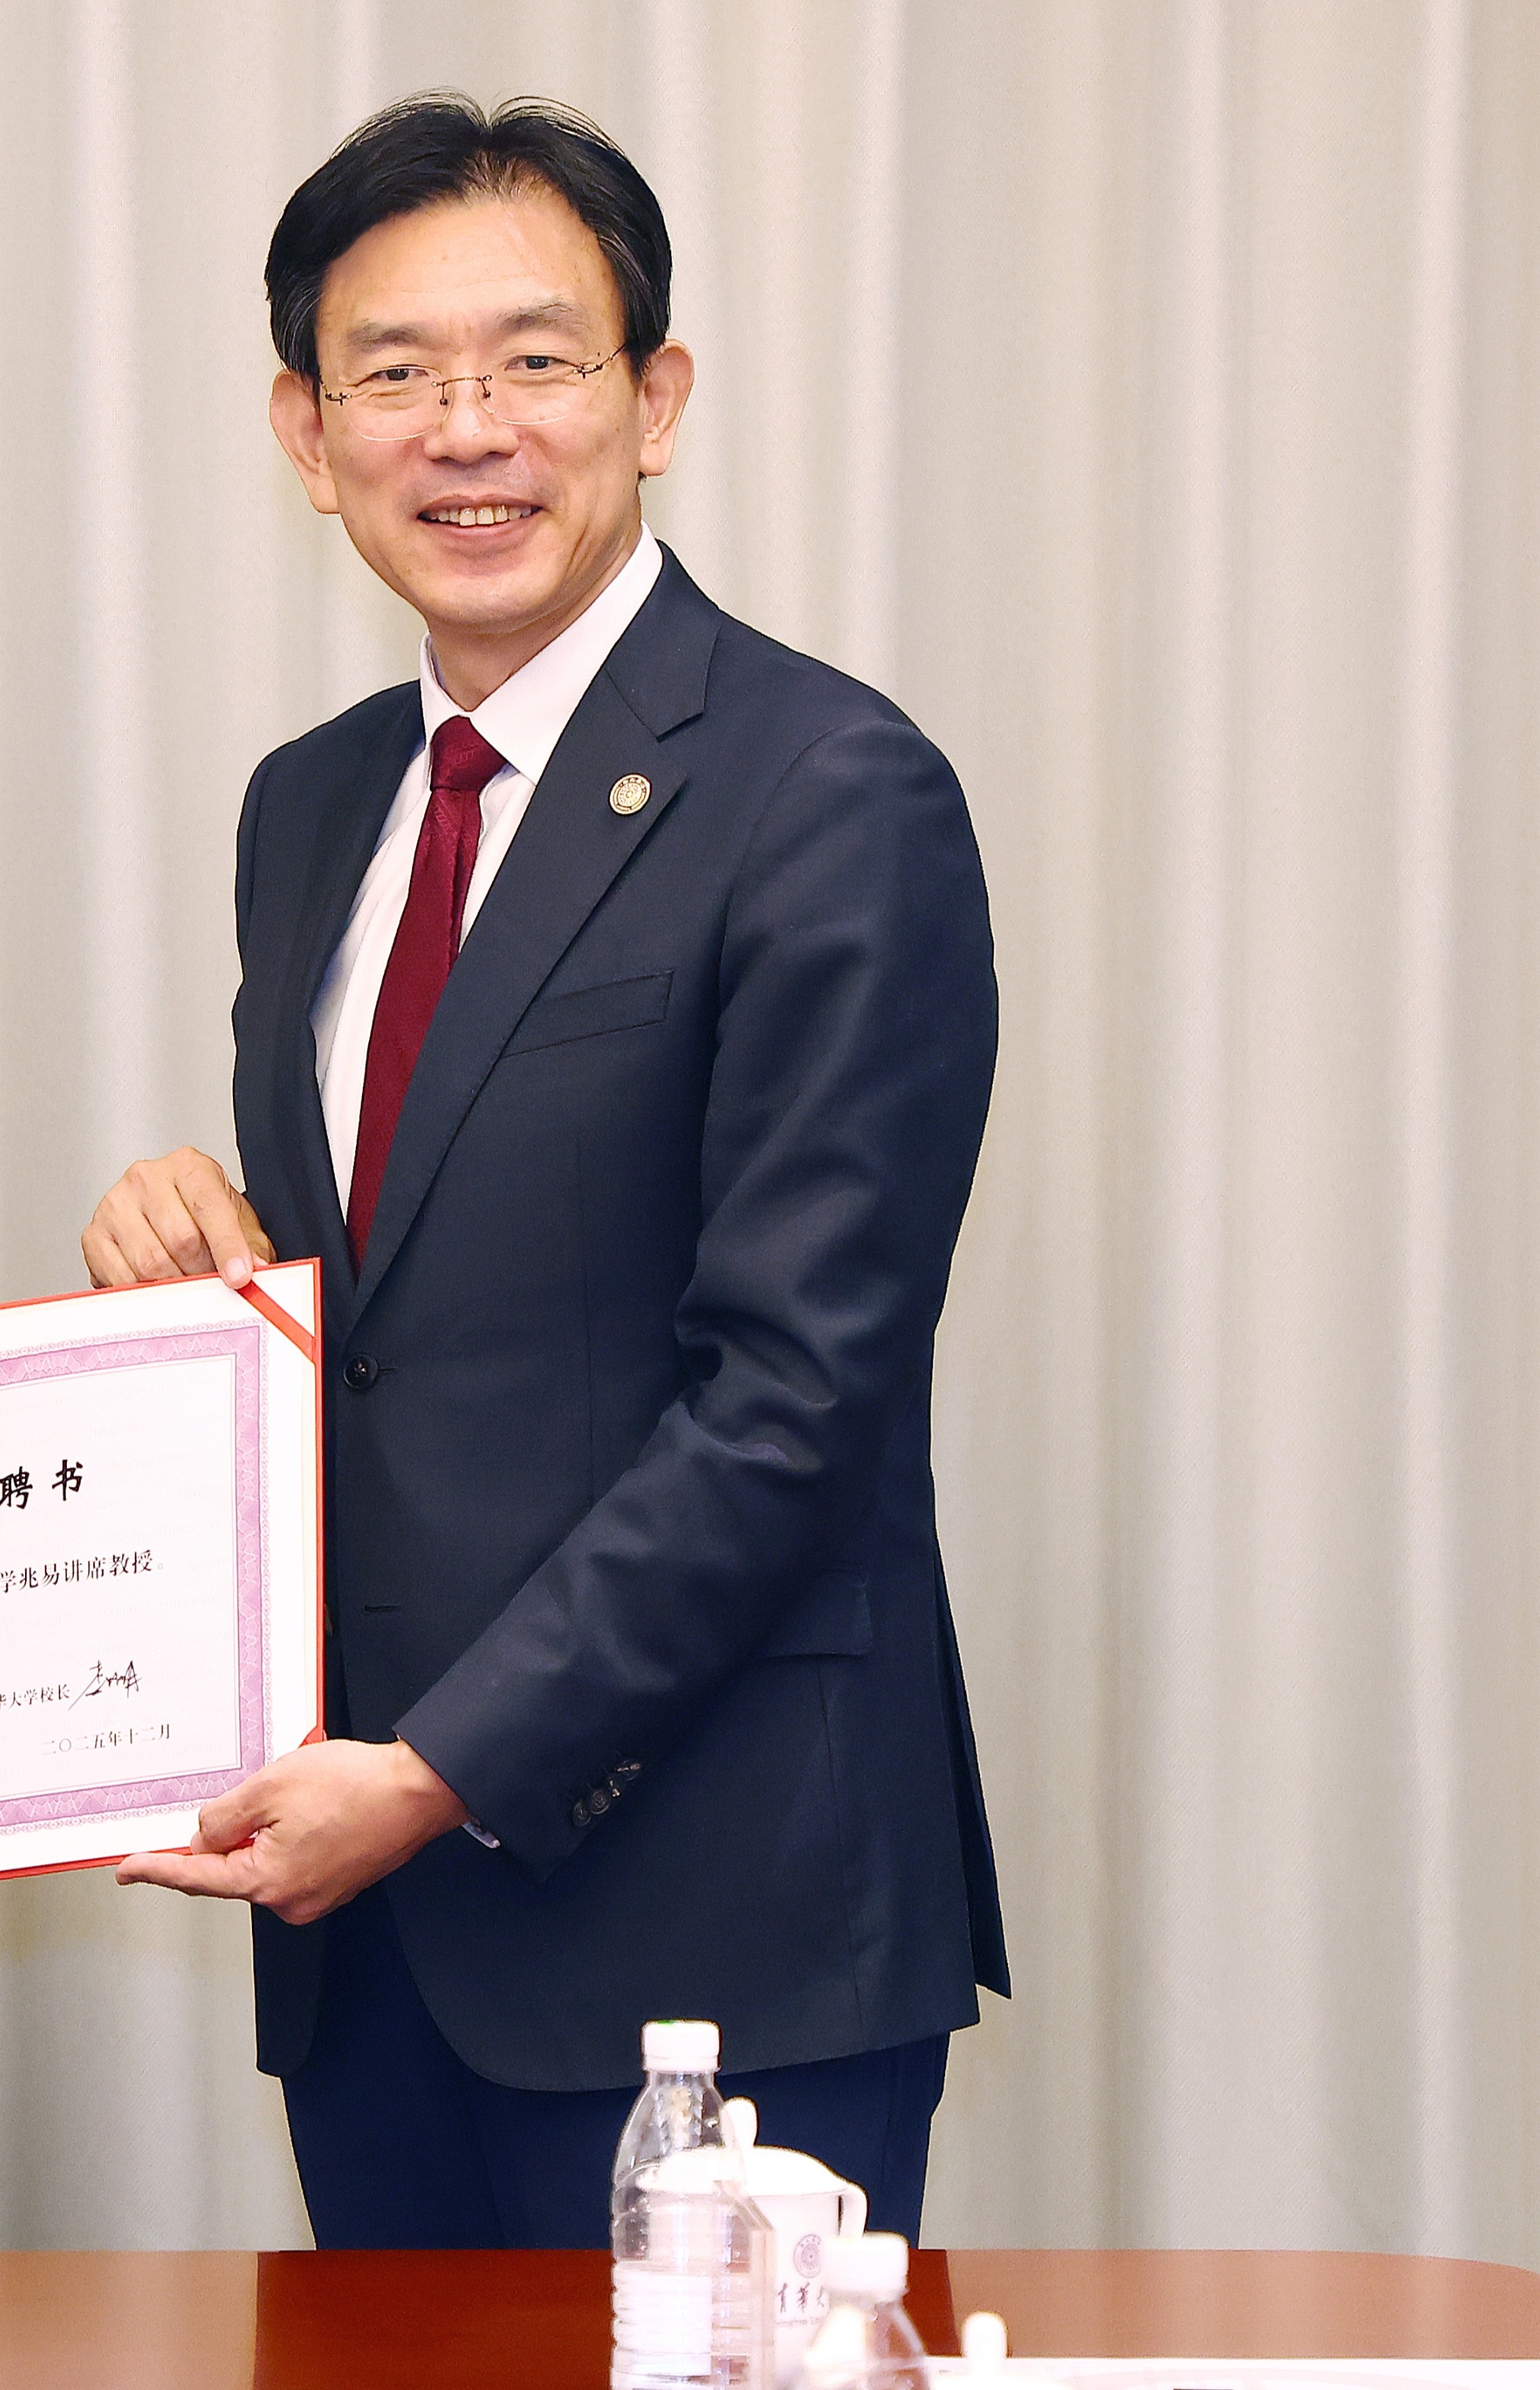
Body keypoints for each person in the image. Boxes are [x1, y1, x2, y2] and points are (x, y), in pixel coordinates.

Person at [94, 96, 1005, 2250]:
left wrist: (438, 1776)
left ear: (656, 400)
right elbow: (428, 1301)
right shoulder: (314, 806)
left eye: (534, 361)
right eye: (395, 375)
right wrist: (215, 1261)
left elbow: (795, 1397)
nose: (467, 430)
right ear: (307, 435)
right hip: (373, 1944)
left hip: (714, 1923)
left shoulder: (827, 787)